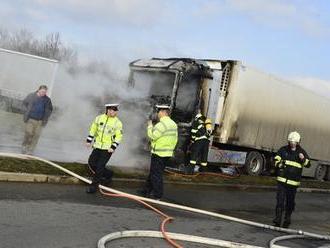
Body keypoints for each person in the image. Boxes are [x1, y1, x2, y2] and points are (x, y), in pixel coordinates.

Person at [139, 104, 178, 200]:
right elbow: (175, 139)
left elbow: (152, 136)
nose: (157, 114)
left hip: (159, 153)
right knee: (154, 172)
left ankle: (157, 195)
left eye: (158, 112)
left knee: (156, 174)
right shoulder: (173, 124)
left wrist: (149, 126)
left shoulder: (161, 125)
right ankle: (146, 190)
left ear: (163, 112)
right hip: (167, 153)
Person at [273, 131, 310, 228]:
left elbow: (308, 164)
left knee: (290, 202)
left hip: (293, 184)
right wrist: (279, 163)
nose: (292, 144)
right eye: (290, 142)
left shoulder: (301, 152)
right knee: (280, 201)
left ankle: (287, 219)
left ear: (298, 142)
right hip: (282, 181)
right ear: (288, 141)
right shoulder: (283, 150)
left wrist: (303, 159)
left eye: (294, 142)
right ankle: (277, 219)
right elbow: (276, 159)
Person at [85, 103, 123, 193]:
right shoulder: (99, 118)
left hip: (108, 149)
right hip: (97, 146)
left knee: (100, 167)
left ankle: (94, 186)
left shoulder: (118, 123)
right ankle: (109, 174)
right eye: (113, 110)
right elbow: (93, 129)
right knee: (91, 163)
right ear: (108, 110)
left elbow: (119, 136)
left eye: (115, 110)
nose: (114, 112)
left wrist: (113, 147)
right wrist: (89, 140)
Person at [21, 85, 53, 155]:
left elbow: (50, 109)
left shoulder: (47, 100)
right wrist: (26, 111)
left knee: (36, 135)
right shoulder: (31, 96)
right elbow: (24, 104)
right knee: (29, 133)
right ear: (38, 90)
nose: (43, 93)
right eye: (42, 91)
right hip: (30, 119)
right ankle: (24, 146)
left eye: (45, 92)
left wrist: (46, 116)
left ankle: (31, 150)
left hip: (40, 121)